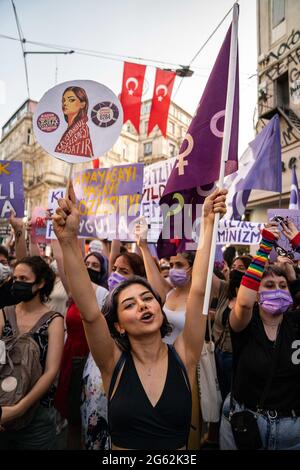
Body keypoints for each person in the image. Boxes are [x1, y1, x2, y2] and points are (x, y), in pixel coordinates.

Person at [53, 183, 227, 450]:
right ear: (119, 325)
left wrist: (207, 223)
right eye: (130, 304)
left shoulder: (185, 355)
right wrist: (67, 240)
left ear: (160, 309)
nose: (144, 306)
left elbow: (199, 291)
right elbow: (89, 312)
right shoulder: (111, 362)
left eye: (148, 299)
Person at [220, 223, 300, 450]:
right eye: (269, 285)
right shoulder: (245, 324)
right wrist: (265, 245)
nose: (277, 289)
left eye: (283, 286)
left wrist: (298, 243)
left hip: (291, 432)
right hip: (245, 425)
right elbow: (243, 302)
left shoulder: (296, 323)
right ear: (256, 294)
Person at [0, 256, 64, 449]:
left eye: (23, 279)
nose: (17, 283)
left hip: (37, 415)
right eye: (15, 278)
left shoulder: (53, 320)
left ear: (40, 284)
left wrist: (19, 409)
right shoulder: (4, 313)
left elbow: (51, 372)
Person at [213, 255, 252, 400]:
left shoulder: (255, 298)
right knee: (221, 395)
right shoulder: (224, 290)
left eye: (241, 268)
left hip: (238, 357)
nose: (235, 271)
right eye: (233, 267)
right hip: (217, 353)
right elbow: (206, 274)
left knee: (234, 396)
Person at [55, 86, 93, 158]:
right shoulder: (67, 132)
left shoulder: (82, 130)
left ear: (82, 104)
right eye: (63, 101)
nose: (65, 103)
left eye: (71, 100)